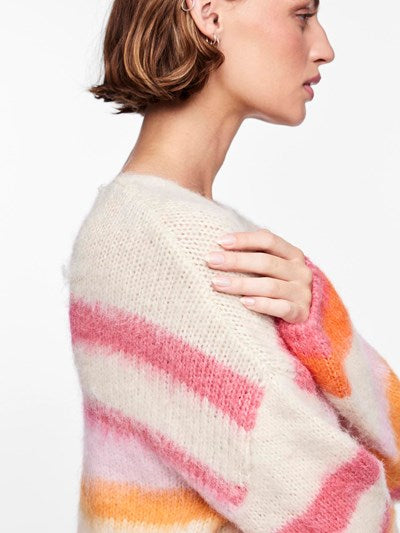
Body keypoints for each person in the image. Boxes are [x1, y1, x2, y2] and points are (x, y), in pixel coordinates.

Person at [66, 0, 400, 531]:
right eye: (302, 15)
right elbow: (346, 515)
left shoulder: (172, 229)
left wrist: (321, 321)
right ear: (210, 14)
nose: (325, 48)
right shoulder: (166, 244)